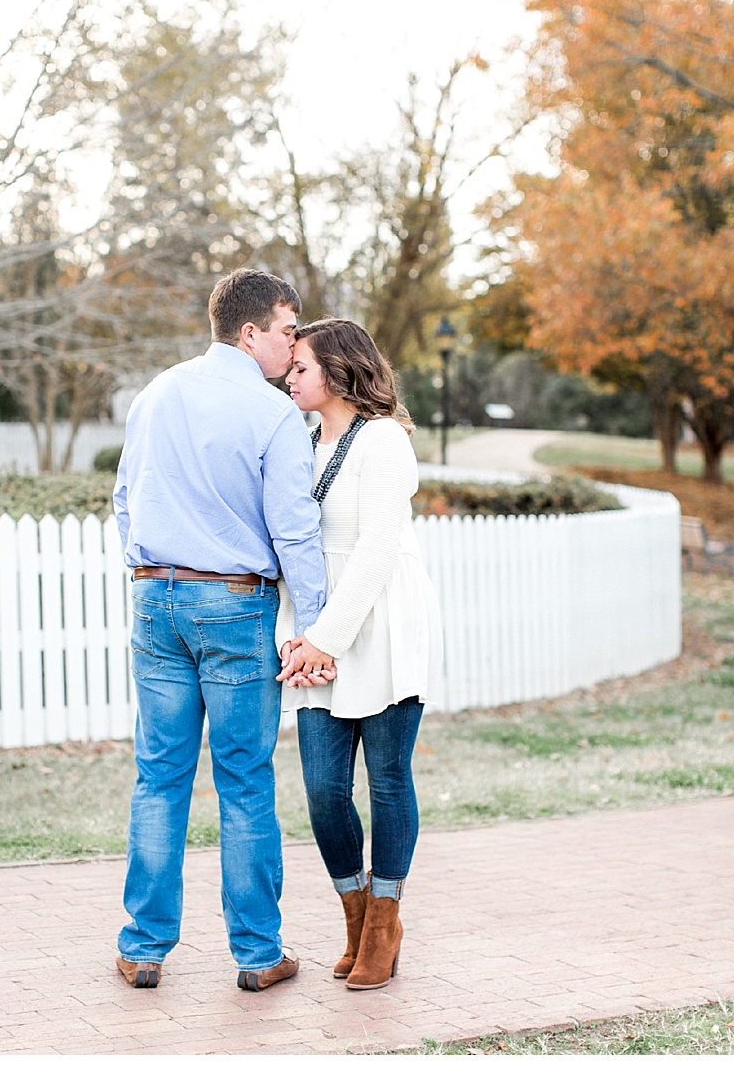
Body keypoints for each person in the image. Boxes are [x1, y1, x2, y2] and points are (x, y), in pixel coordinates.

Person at [114, 269, 329, 993]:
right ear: (250, 333)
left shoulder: (156, 393)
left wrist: (149, 571)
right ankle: (259, 954)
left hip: (155, 598)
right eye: (287, 328)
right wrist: (320, 629)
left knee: (159, 777)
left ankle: (142, 947)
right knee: (243, 782)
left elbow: (124, 499)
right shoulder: (272, 416)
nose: (293, 343)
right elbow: (296, 534)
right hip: (235, 605)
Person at [276, 317, 438, 991]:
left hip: (381, 630)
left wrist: (325, 639)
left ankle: (385, 922)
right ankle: (354, 911)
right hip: (319, 637)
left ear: (339, 371)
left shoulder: (385, 443)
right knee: (322, 790)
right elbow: (294, 547)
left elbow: (374, 552)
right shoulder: (300, 442)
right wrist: (299, 634)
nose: (289, 379)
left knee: (389, 779)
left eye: (301, 369)